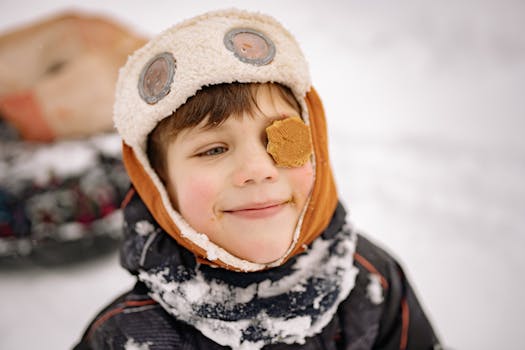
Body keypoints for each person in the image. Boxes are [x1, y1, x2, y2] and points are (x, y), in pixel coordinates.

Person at [74, 9, 441, 350]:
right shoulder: (125, 336)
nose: (258, 170)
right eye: (213, 150)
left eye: (283, 137)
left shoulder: (372, 282)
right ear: (160, 184)